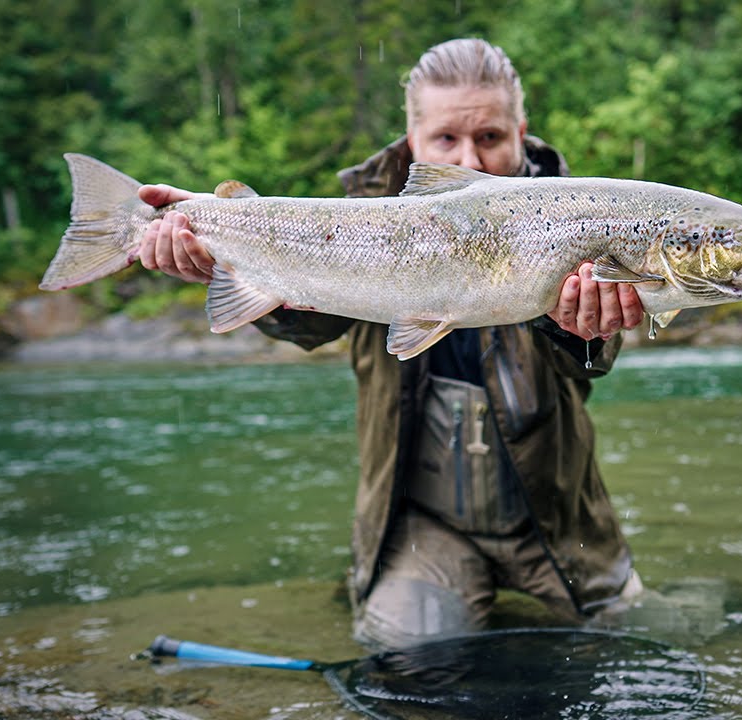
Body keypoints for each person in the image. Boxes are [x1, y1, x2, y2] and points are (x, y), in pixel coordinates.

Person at [137, 39, 646, 650]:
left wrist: (581, 329)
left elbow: (590, 364)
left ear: (521, 131)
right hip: (418, 523)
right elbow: (309, 325)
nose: (473, 160)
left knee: (636, 649)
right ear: (412, 139)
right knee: (410, 660)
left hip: (558, 520)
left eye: (489, 138)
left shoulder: (587, 216)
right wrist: (223, 260)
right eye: (448, 141)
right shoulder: (357, 213)